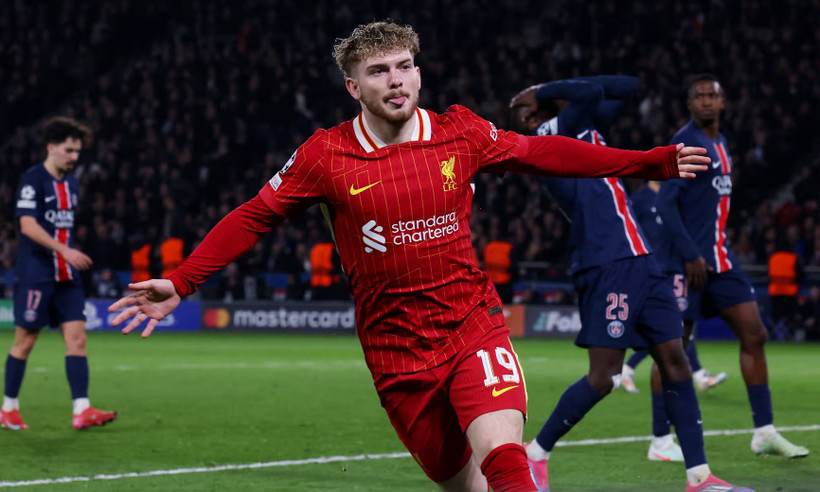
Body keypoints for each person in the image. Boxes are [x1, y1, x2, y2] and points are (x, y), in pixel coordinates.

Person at [109, 21, 708, 491]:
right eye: (378, 71)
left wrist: (647, 160)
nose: (396, 80)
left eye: (405, 66)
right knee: (463, 481)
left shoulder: (460, 133)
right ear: (354, 86)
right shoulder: (325, 156)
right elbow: (255, 215)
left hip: (472, 325)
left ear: (418, 73)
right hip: (395, 351)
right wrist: (183, 282)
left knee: (505, 461)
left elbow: (546, 152)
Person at [509, 76, 749, 492]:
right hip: (607, 262)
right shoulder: (549, 136)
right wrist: (543, 92)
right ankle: (535, 454)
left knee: (675, 360)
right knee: (604, 376)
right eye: (523, 111)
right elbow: (588, 93)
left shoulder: (585, 127)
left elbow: (629, 86)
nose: (528, 113)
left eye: (529, 106)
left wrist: (544, 89)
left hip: (641, 258)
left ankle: (700, 477)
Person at [657, 74, 808, 458]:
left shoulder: (721, 142)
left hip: (721, 259)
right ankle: (660, 440)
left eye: (713, 96)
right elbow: (666, 204)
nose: (707, 101)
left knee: (755, 334)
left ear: (723, 103)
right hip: (687, 264)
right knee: (672, 349)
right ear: (690, 103)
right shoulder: (686, 141)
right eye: (700, 96)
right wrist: (690, 254)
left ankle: (764, 431)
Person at [2, 117, 117, 431]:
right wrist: (63, 250)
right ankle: (8, 408)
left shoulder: (72, 183)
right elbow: (27, 226)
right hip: (36, 272)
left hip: (67, 275)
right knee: (25, 341)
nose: (74, 157)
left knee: (77, 339)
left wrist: (67, 255)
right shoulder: (32, 180)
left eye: (77, 152)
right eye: (68, 150)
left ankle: (82, 409)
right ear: (50, 148)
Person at [622, 181, 728, 395]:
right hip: (651, 269)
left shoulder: (677, 198)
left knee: (677, 326)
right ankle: (630, 368)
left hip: (674, 267)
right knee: (669, 328)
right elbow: (629, 230)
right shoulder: (640, 199)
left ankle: (697, 374)